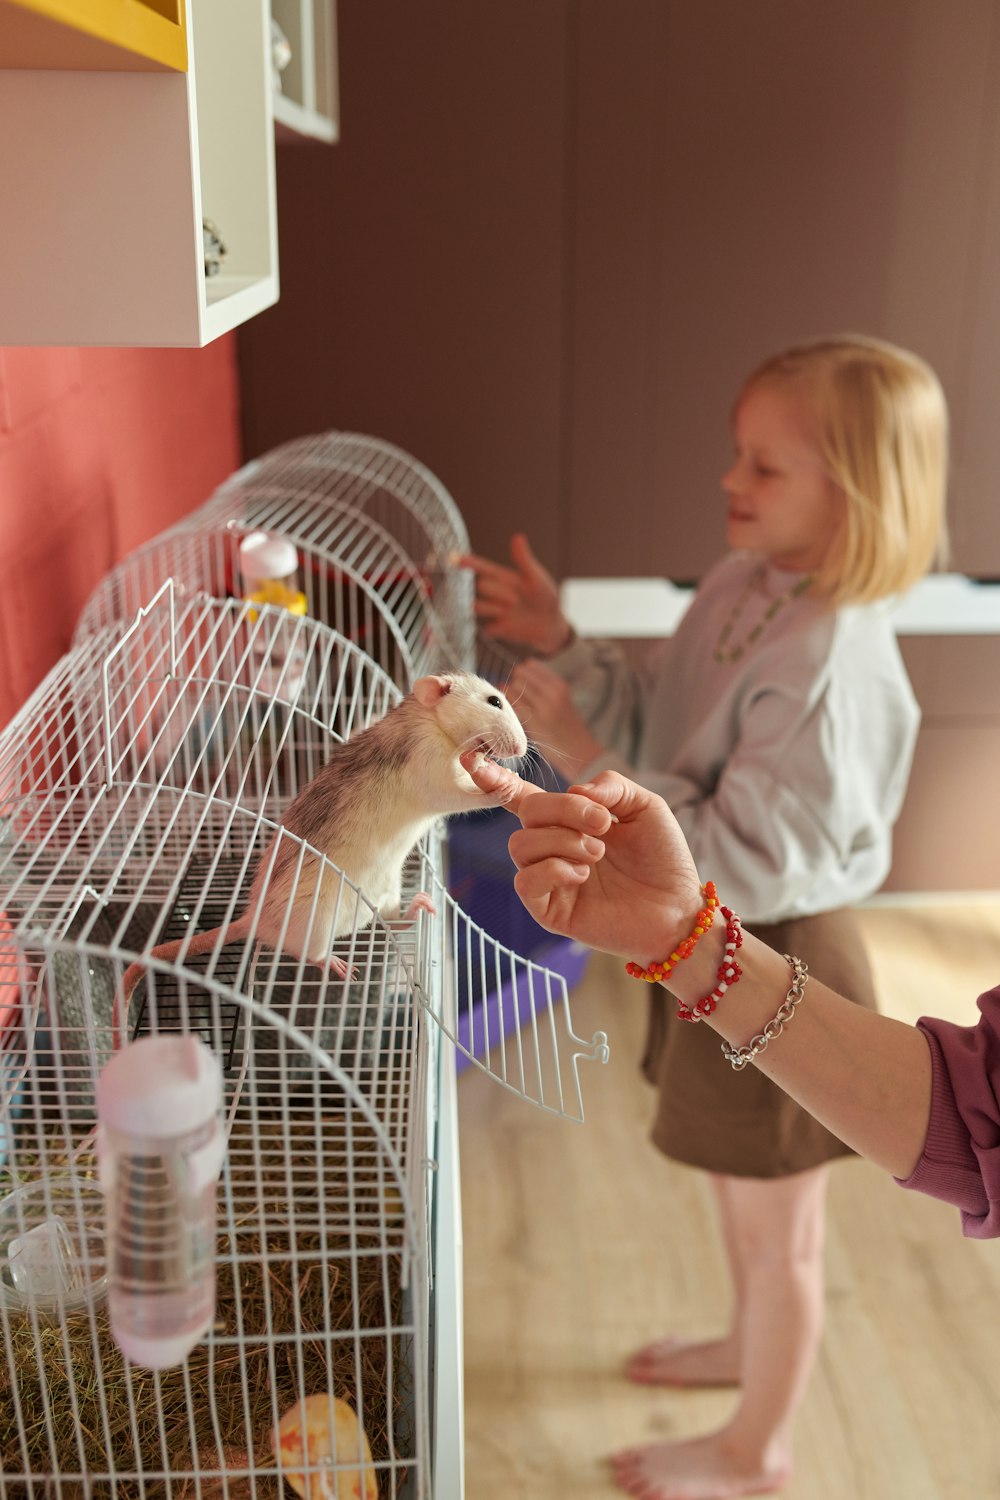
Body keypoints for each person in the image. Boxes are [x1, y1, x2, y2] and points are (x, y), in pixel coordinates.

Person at [456, 334, 949, 1500]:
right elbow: (660, 738)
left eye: (766, 467)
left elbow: (741, 858)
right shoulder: (741, 585)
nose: (731, 482)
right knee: (740, 1198)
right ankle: (745, 1347)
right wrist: (567, 648)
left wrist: (578, 750)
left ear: (857, 495)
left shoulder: (833, 664)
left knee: (783, 1232)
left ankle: (755, 1451)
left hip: (777, 951)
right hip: (709, 942)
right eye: (739, 455)